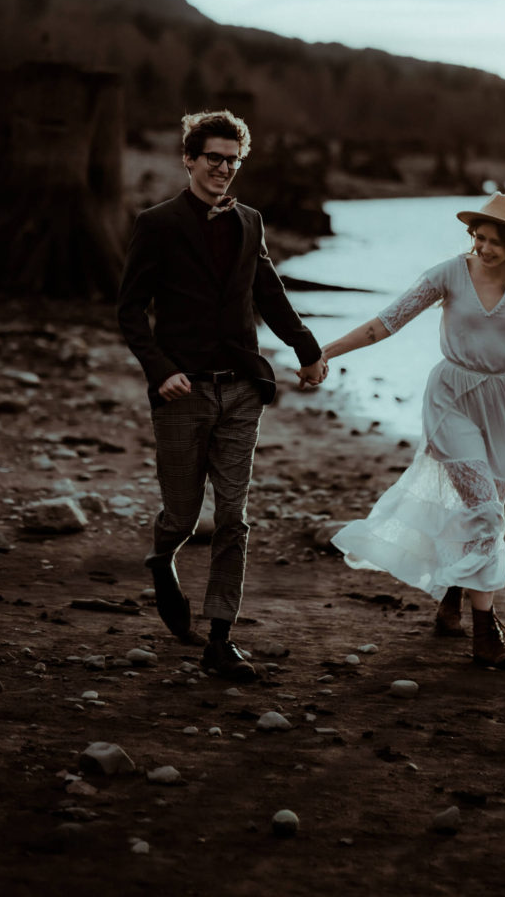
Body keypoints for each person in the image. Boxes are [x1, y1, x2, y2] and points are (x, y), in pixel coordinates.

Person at [117, 109, 327, 681]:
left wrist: (308, 350)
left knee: (233, 517)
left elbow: (270, 292)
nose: (224, 170)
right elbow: (130, 310)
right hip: (181, 394)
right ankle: (162, 559)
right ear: (188, 159)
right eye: (214, 158)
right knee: (183, 516)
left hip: (240, 392)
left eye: (233, 161)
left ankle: (220, 638)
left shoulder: (250, 222)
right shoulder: (157, 224)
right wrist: (159, 370)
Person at [322, 193, 505, 670]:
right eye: (479, 237)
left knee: (485, 509)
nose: (485, 248)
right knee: (484, 510)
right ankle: (486, 633)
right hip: (452, 398)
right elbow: (388, 322)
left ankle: (453, 592)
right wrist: (327, 352)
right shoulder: (448, 274)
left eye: (497, 240)